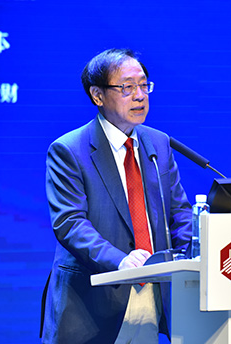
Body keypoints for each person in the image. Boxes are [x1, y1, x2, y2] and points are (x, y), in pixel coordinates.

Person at [40, 48, 192, 343]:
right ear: (97, 96)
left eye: (144, 85)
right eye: (127, 87)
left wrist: (193, 255)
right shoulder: (69, 150)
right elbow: (70, 223)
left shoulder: (158, 143)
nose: (140, 95)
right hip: (93, 306)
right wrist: (121, 262)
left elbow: (180, 212)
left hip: (153, 297)